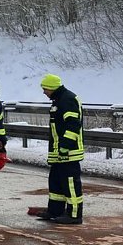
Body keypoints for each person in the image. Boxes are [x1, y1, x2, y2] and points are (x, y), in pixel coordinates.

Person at [36, 74, 84, 224]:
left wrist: (65, 146)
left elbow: (73, 125)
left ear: (52, 87)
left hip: (68, 153)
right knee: (56, 182)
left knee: (70, 183)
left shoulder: (67, 100)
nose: (44, 92)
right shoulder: (58, 100)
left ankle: (74, 215)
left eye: (45, 89)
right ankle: (55, 211)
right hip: (58, 153)